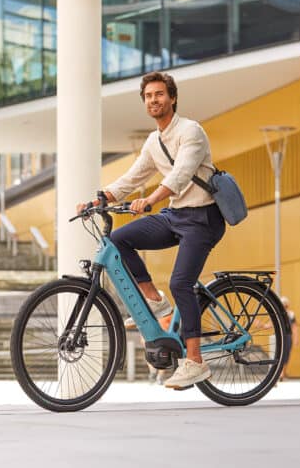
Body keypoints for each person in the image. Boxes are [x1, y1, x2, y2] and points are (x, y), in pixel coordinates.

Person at [77, 72, 225, 389]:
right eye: (148, 96)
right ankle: (154, 300)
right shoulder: (154, 141)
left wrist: (151, 200)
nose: (153, 100)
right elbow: (132, 178)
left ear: (172, 98)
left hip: (203, 218)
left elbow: (182, 175)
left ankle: (196, 362)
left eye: (159, 94)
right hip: (176, 215)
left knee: (181, 283)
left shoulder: (191, 131)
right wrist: (98, 199)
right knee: (119, 238)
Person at [280, 296, 299, 380]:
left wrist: (296, 338)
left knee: (286, 354)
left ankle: (283, 373)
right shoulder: (279, 314)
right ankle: (281, 373)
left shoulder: (291, 314)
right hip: (281, 336)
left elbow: (294, 327)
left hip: (288, 337)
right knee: (281, 354)